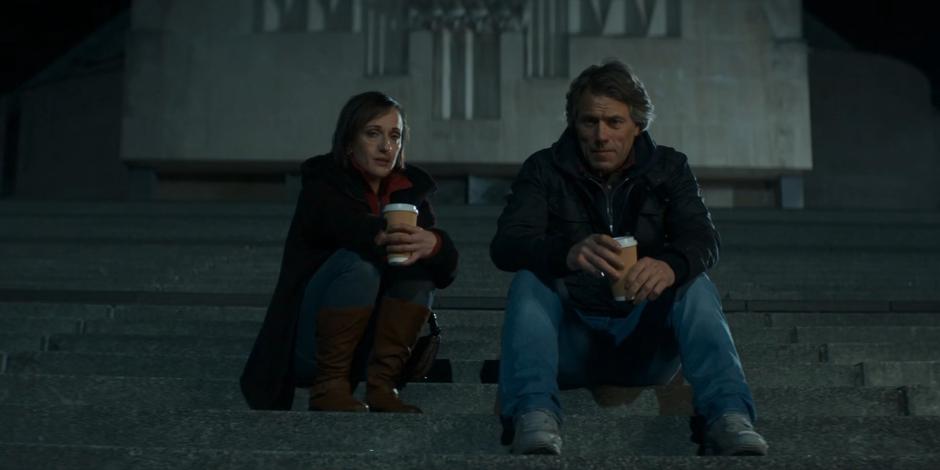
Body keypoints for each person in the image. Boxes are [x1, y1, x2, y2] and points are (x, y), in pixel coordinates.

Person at [489, 61, 768, 456]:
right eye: (589, 123)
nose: (601, 136)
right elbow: (506, 244)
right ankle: (533, 413)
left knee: (694, 283)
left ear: (638, 125)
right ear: (573, 124)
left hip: (643, 342)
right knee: (531, 280)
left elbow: (703, 239)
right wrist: (565, 253)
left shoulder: (670, 167)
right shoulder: (544, 168)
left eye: (614, 123)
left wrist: (670, 265)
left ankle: (728, 416)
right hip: (571, 345)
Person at [241, 91, 458, 413]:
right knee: (359, 266)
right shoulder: (322, 185)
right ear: (348, 140)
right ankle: (329, 388)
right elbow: (340, 223)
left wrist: (435, 244)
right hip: (308, 346)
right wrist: (379, 232)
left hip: (370, 347)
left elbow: (444, 271)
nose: (386, 147)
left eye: (394, 136)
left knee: (419, 273)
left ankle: (383, 386)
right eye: (373, 134)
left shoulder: (410, 192)